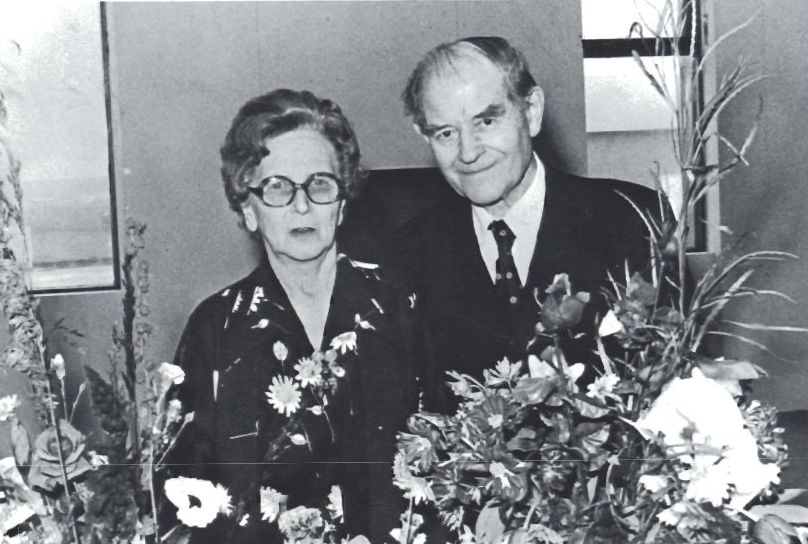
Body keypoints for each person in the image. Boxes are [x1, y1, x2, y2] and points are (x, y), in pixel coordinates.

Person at [164, 89, 424, 544]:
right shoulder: (216, 329)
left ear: (342, 203)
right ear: (248, 208)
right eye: (278, 187)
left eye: (319, 185)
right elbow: (183, 496)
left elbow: (446, 464)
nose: (301, 206)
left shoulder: (399, 306)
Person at [389, 36, 673, 396]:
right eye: (445, 133)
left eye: (486, 121)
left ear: (532, 111)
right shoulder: (406, 255)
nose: (468, 152)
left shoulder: (635, 221)